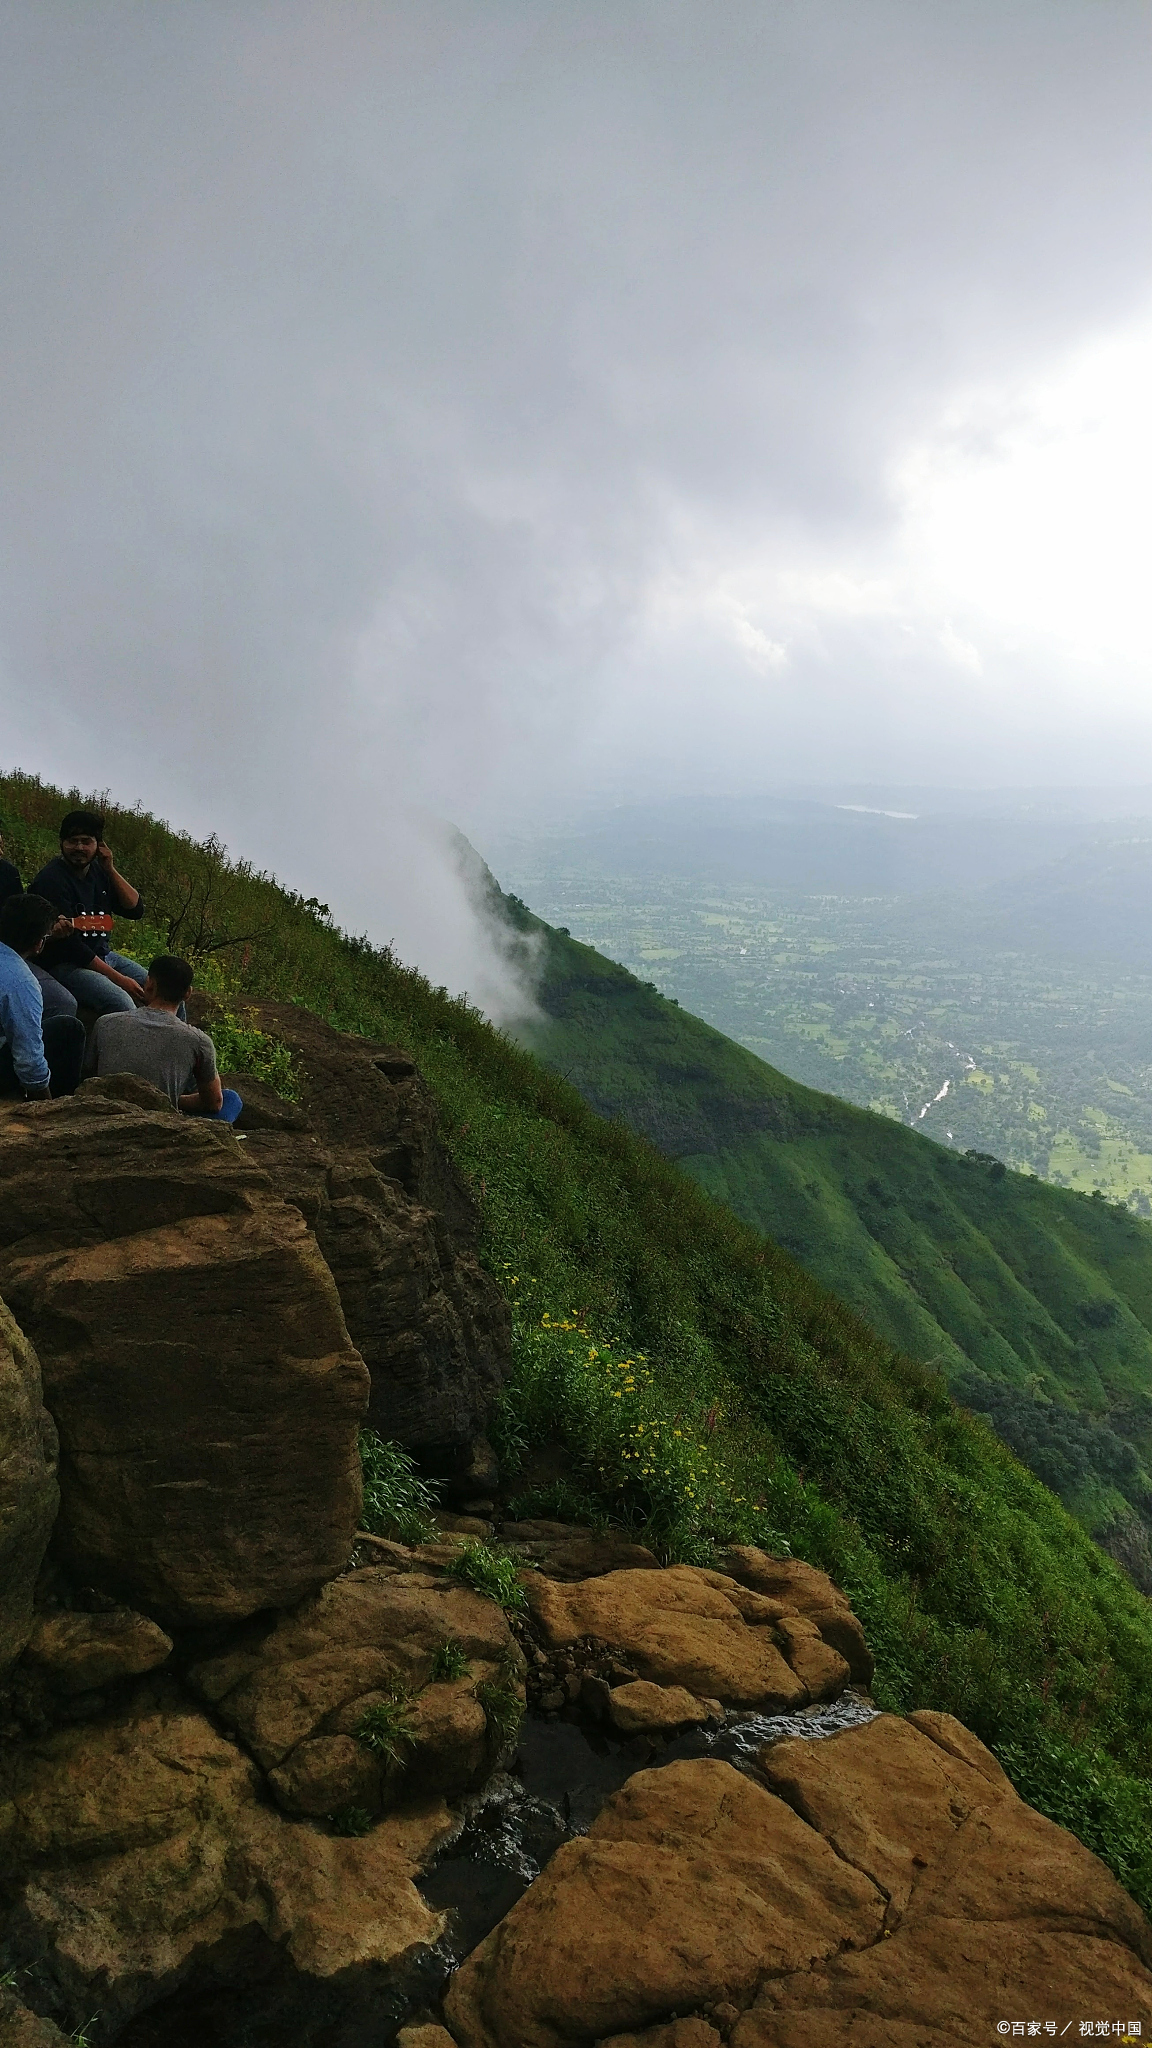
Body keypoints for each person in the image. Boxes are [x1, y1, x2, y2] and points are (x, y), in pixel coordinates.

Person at [85, 954, 243, 1123]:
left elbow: (89, 1076)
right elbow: (214, 1103)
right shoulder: (199, 1041)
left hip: (106, 1117)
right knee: (231, 1099)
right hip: (161, 1124)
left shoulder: (105, 1023)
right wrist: (169, 1099)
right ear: (188, 994)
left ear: (149, 985)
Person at [31, 809, 149, 1014]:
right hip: (65, 964)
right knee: (122, 1003)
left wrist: (110, 868)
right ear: (61, 843)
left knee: (167, 991)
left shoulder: (99, 872)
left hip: (103, 955)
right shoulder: (51, 880)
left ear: (99, 845)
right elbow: (72, 947)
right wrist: (120, 980)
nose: (79, 847)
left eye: (86, 841)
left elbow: (135, 909)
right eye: (72, 841)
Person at [0, 894, 86, 1100]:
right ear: (38, 943)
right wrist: (46, 1103)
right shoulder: (21, 982)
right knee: (70, 1029)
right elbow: (29, 1059)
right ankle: (64, 1102)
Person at [0, 823, 81, 1021]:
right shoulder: (51, 876)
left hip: (6, 956)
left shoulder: (7, 874)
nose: (0, 852)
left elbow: (18, 923)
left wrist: (45, 929)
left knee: (62, 1002)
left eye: (0, 845)